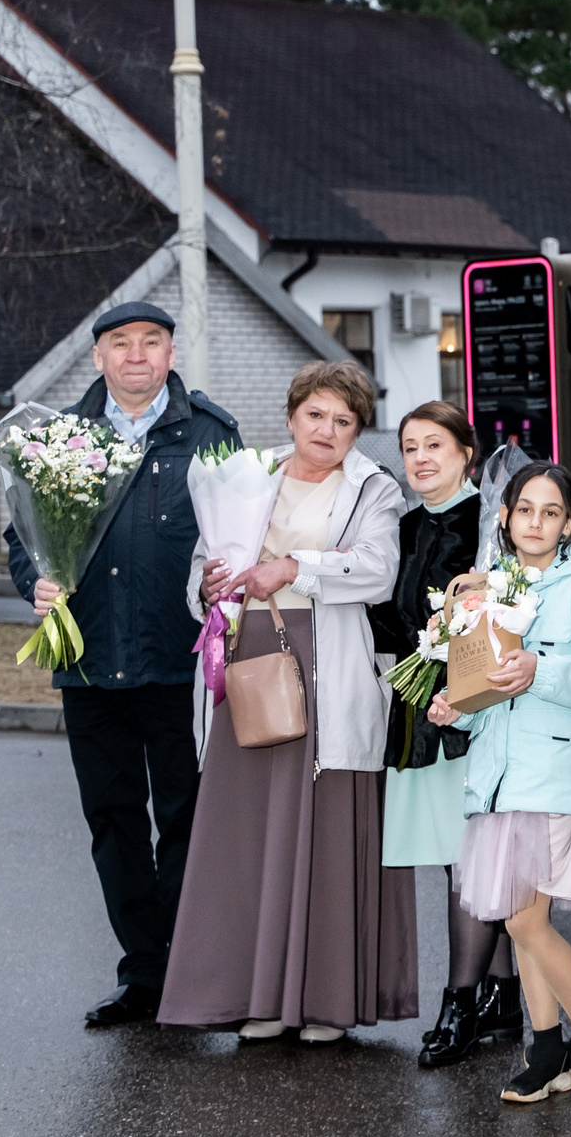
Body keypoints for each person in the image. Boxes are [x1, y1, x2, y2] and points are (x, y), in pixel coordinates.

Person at [159, 362, 412, 1044]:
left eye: (344, 420)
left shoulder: (372, 487)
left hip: (326, 665)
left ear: (358, 429)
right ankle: (258, 995)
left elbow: (378, 571)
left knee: (323, 834)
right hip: (247, 661)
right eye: (315, 415)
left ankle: (325, 1000)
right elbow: (202, 568)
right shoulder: (246, 472)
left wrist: (296, 567)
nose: (327, 430)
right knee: (249, 835)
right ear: (292, 414)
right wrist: (209, 586)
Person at [8, 301, 239, 1029]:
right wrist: (35, 581)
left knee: (187, 820)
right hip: (90, 663)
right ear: (100, 357)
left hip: (178, 660)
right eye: (120, 344)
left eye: (151, 342)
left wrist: (223, 577)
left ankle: (191, 971)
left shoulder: (210, 431)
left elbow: (238, 531)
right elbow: (23, 539)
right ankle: (144, 972)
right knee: (112, 821)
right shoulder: (61, 438)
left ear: (171, 352)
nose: (136, 355)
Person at [427, 462, 571, 1104]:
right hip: (498, 771)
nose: (535, 522)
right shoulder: (492, 586)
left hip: (551, 770)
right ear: (505, 518)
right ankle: (548, 1051)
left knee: (524, 921)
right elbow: (486, 677)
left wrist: (540, 669)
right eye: (524, 510)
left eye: (550, 512)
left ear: (569, 523)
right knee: (520, 921)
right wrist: (458, 702)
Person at [365, 401, 507, 1070]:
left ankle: (460, 1003)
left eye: (435, 446)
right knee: (462, 859)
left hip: (474, 706)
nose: (421, 457)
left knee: (471, 858)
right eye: (410, 447)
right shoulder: (404, 523)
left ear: (465, 454)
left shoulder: (490, 520)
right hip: (421, 708)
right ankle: (501, 994)